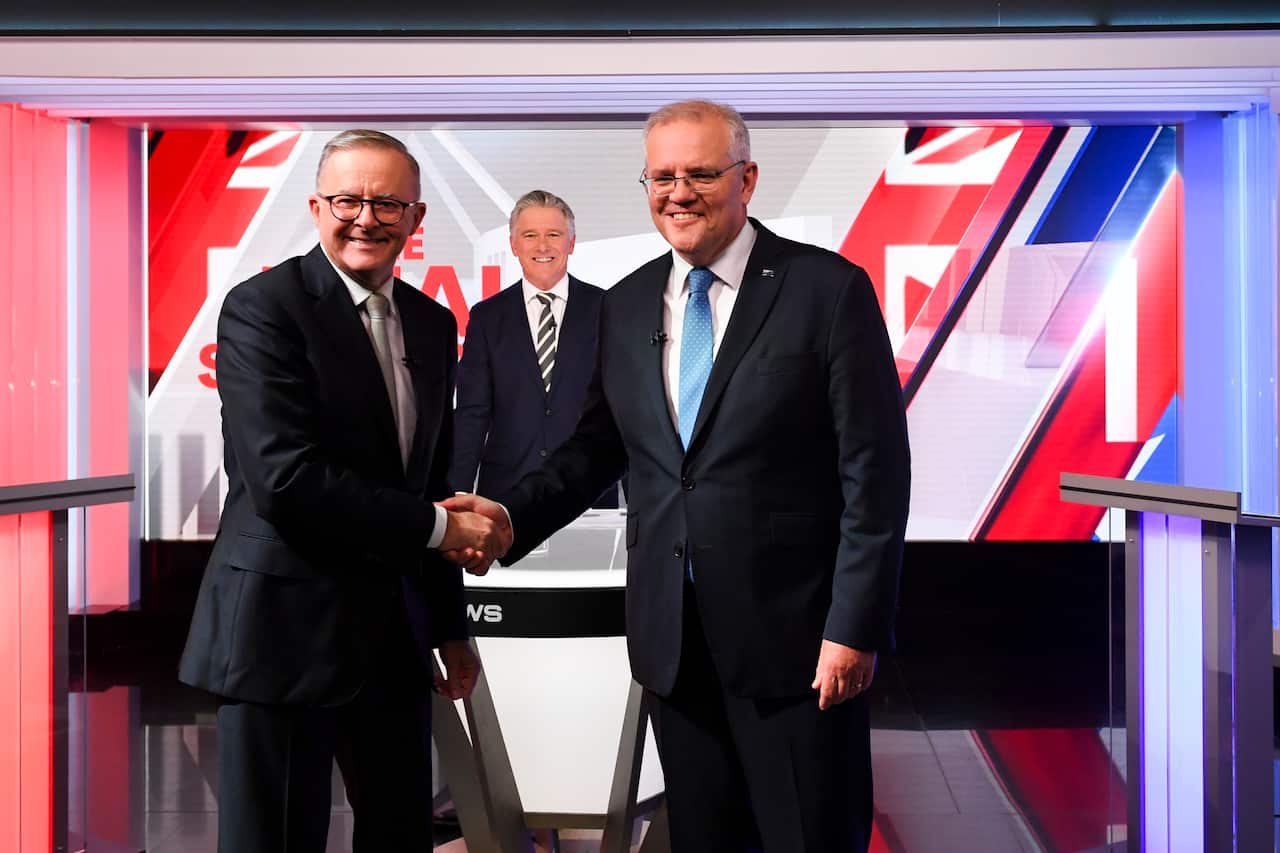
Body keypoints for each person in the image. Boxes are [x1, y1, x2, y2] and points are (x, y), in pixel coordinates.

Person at [448, 100, 910, 851]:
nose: (679, 192)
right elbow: (597, 447)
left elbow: (876, 474)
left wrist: (853, 626)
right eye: (662, 176)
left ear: (747, 178)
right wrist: (509, 517)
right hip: (673, 646)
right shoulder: (627, 303)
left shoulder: (826, 291)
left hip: (796, 648)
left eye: (701, 172)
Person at [178, 129, 506, 853]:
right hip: (283, 632)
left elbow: (433, 485)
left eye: (387, 202)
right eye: (348, 199)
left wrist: (450, 626)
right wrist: (434, 528)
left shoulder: (430, 319)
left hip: (393, 636)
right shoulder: (265, 308)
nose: (366, 217)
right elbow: (283, 478)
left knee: (398, 836)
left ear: (416, 218)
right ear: (316, 205)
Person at [450, 189, 618, 507]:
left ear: (571, 242)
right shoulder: (487, 317)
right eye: (530, 235)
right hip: (504, 495)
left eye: (554, 234)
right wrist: (459, 492)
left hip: (589, 490)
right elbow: (472, 412)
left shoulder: (607, 308)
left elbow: (626, 409)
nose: (542, 246)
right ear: (514, 245)